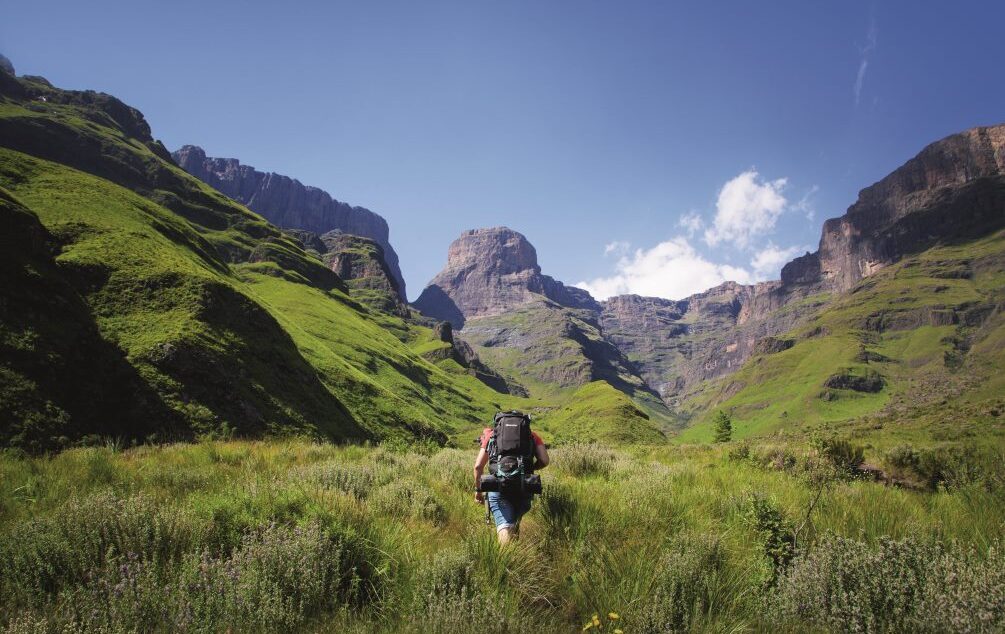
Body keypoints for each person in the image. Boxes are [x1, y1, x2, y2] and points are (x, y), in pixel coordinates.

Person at [473, 424, 549, 544]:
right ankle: (515, 555)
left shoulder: (492, 436)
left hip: (499, 487)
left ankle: (507, 561)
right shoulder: (532, 435)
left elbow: (478, 467)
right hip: (525, 486)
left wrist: (478, 491)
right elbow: (545, 460)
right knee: (513, 523)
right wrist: (529, 469)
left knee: (505, 526)